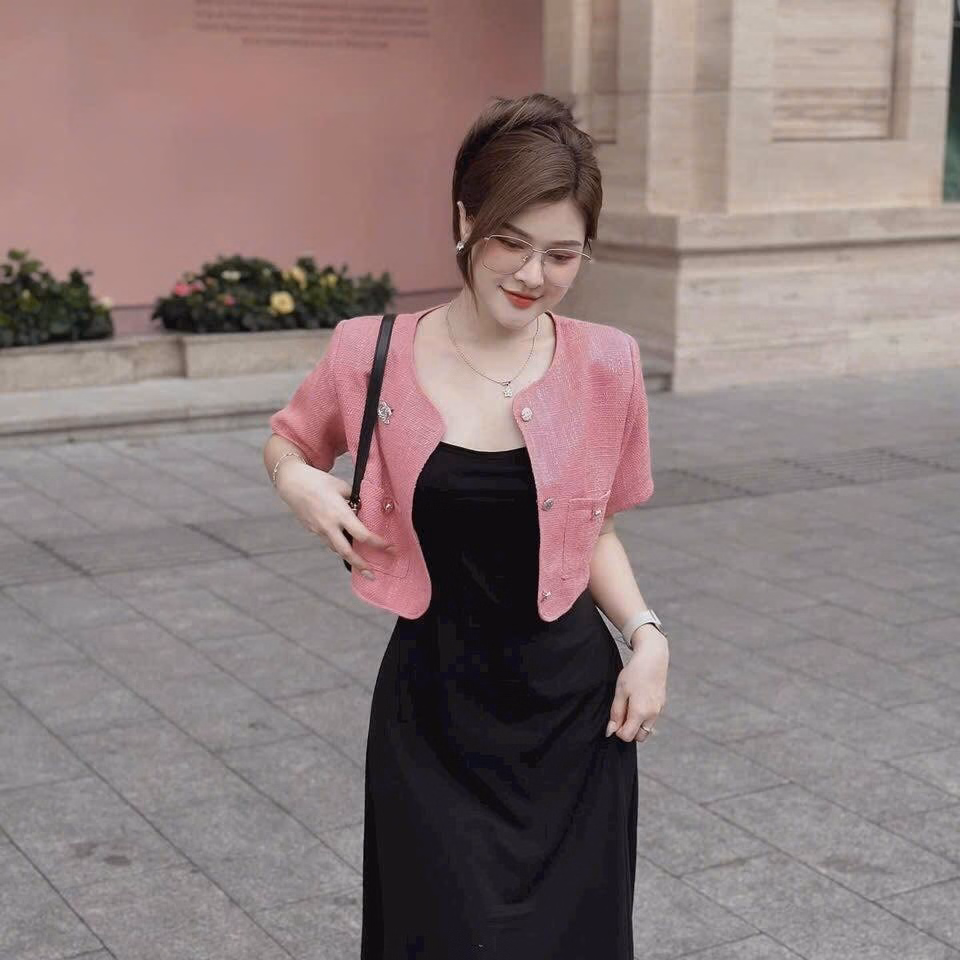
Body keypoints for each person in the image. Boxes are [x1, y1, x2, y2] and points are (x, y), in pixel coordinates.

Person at [263, 92, 669, 960]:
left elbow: (594, 531)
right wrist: (299, 483)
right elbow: (289, 441)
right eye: (510, 242)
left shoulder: (609, 365)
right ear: (464, 220)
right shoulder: (368, 353)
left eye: (562, 254)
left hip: (572, 720)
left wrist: (647, 638)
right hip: (432, 715)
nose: (533, 275)